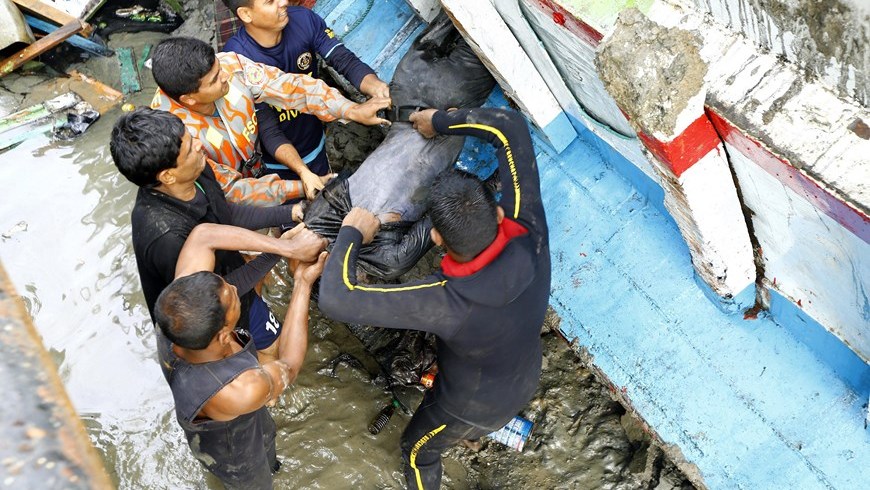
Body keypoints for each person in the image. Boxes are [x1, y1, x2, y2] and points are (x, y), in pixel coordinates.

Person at [319, 107, 551, 489]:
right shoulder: (531, 229)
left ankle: (470, 435)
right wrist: (440, 119)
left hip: (469, 405)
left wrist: (351, 233)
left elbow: (337, 297)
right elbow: (508, 127)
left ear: (437, 239)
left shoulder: (444, 301)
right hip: (524, 374)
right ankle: (483, 431)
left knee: (416, 450)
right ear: (496, 212)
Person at [110, 108, 320, 360]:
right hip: (207, 317)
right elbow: (217, 297)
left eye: (191, 138)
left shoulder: (196, 171)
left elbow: (225, 213)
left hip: (226, 276)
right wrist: (280, 249)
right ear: (167, 175)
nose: (199, 145)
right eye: (189, 148)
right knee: (271, 355)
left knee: (260, 316)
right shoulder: (166, 237)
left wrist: (292, 212)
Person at [155, 222, 327, 489]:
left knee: (267, 438)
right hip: (231, 451)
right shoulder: (240, 389)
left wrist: (286, 248)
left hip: (243, 415)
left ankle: (272, 462)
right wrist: (303, 283)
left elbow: (204, 235)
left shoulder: (178, 312)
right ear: (224, 335)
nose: (235, 288)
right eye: (233, 297)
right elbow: (289, 365)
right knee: (254, 481)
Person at [150, 36, 390, 206]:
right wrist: (302, 186)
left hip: (258, 166)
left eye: (219, 68)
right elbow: (232, 192)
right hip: (224, 201)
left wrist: (350, 110)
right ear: (189, 99)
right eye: (214, 80)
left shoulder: (232, 65)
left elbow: (293, 88)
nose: (225, 76)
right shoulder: (177, 139)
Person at [222, 0, 390, 199]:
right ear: (246, 14)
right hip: (277, 166)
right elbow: (268, 130)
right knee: (297, 216)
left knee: (328, 198)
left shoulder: (303, 19)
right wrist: (302, 171)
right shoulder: (237, 63)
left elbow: (343, 59)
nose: (283, 2)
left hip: (316, 140)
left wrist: (379, 88)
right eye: (270, 1)